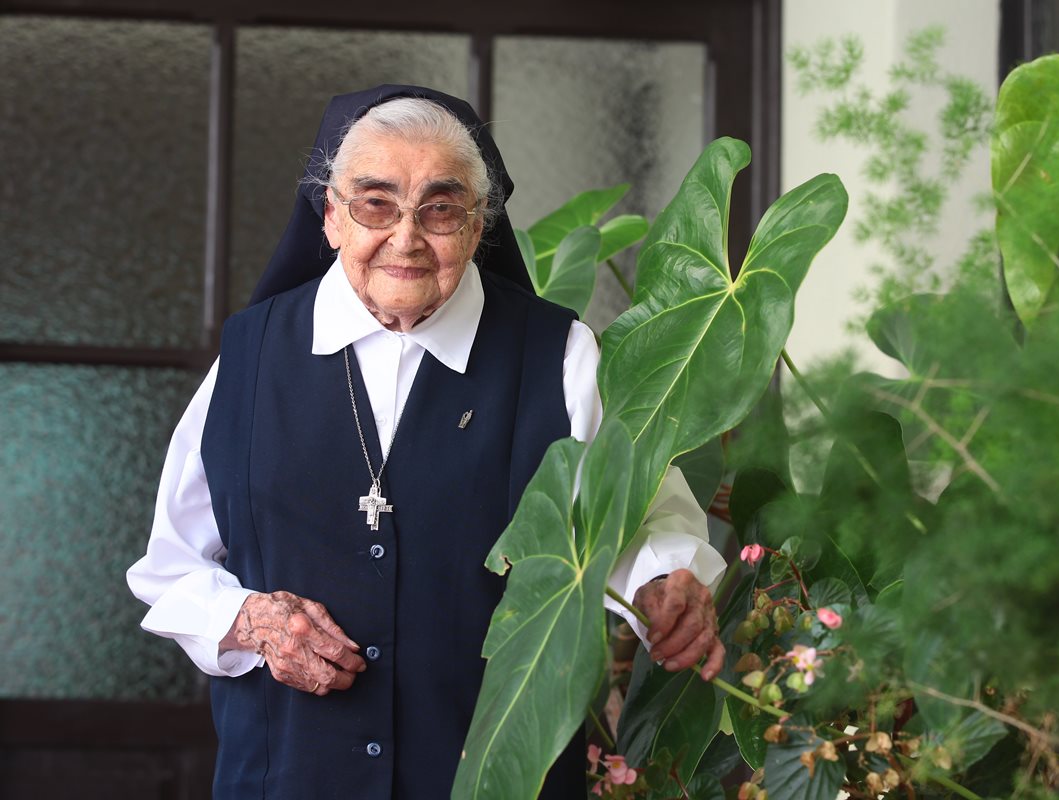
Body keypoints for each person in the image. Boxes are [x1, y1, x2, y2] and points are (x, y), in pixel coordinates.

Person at [127, 85, 726, 798]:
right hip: (285, 778)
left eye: (440, 209)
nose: (406, 238)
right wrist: (250, 620)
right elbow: (170, 569)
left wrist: (666, 578)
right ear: (330, 218)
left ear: (478, 227)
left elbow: (643, 513)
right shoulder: (251, 358)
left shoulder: (558, 356)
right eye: (375, 204)